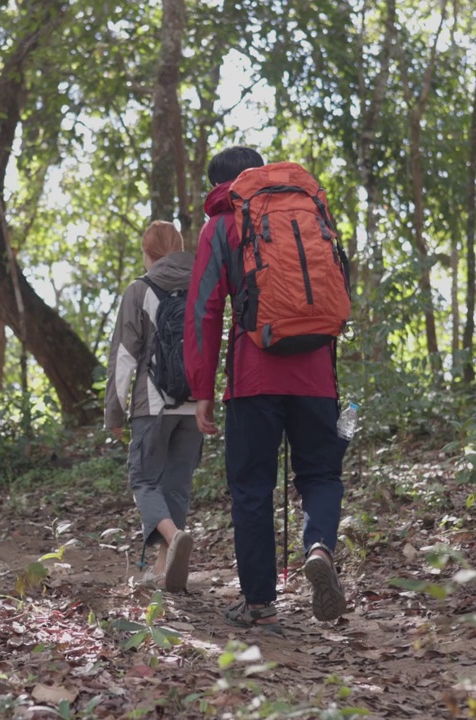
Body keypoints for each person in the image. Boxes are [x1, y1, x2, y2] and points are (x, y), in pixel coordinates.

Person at [184, 146, 348, 632]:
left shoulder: (222, 224)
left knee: (252, 487)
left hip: (254, 375)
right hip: (316, 371)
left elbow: (203, 312)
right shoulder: (308, 209)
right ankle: (318, 546)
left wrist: (202, 388)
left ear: (220, 184)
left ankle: (258, 603)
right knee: (320, 474)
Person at [105, 221, 202, 593]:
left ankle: (174, 538)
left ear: (147, 253)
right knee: (176, 486)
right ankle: (163, 569)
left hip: (154, 404)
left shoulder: (139, 289)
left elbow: (124, 357)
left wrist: (114, 411)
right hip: (194, 404)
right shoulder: (201, 287)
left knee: (144, 480)